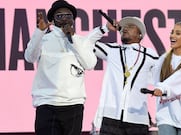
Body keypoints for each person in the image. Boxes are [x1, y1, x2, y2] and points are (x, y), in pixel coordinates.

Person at [24, 0, 97, 135]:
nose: (64, 18)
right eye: (59, 15)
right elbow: (29, 57)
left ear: (73, 19)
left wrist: (73, 39)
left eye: (68, 15)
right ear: (52, 19)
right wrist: (39, 32)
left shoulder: (82, 41)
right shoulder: (43, 39)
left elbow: (90, 64)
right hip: (47, 103)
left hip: (74, 104)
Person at [90, 16, 159, 135]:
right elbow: (86, 44)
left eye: (131, 27)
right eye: (124, 27)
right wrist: (104, 28)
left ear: (140, 35)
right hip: (111, 117)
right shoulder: (112, 49)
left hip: (137, 119)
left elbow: (163, 76)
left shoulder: (150, 55)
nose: (125, 28)